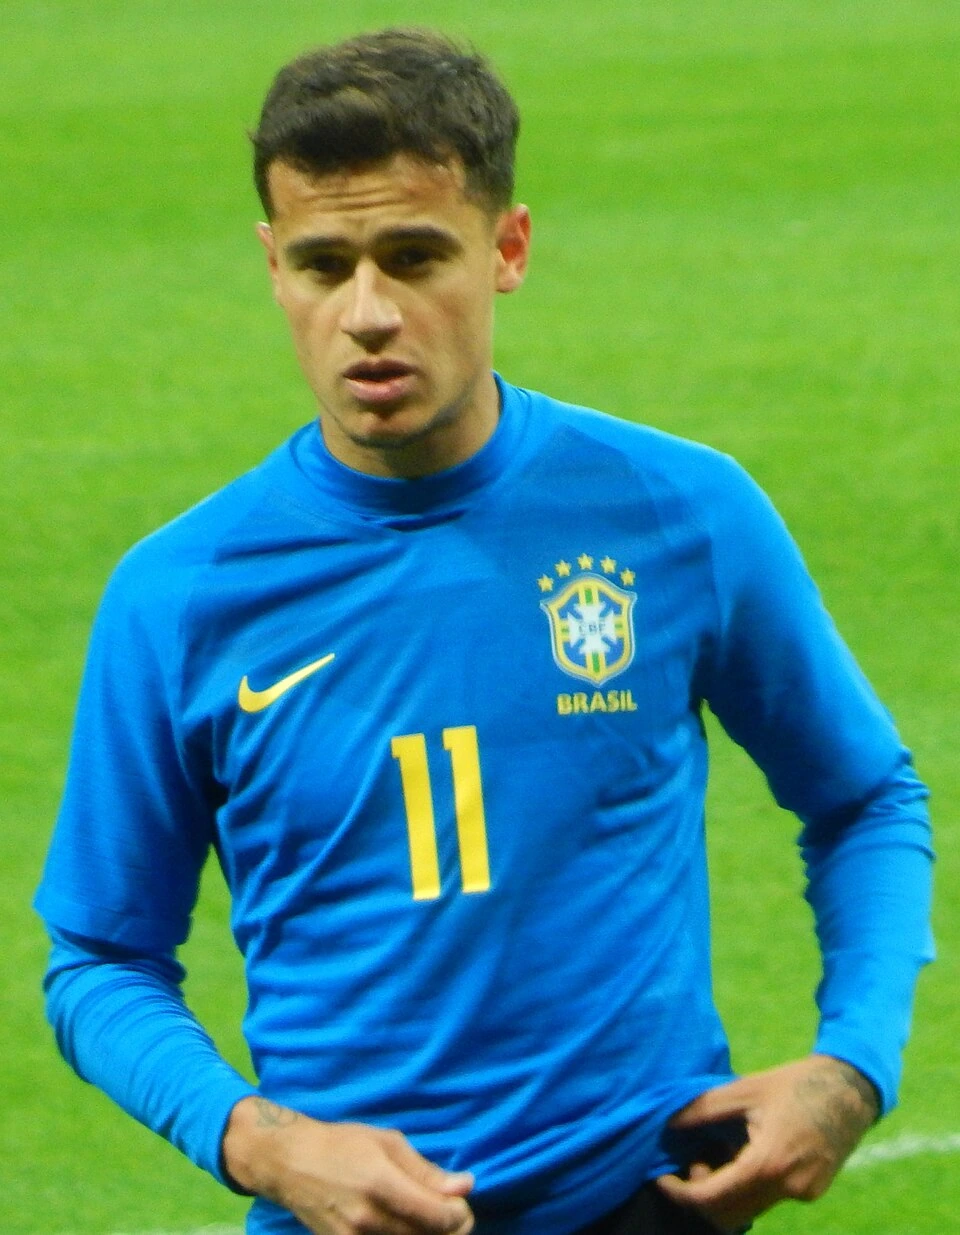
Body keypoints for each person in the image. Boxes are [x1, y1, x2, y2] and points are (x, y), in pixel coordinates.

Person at [35, 27, 934, 1235]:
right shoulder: (183, 595)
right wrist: (261, 1140)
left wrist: (852, 1062)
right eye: (322, 264)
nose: (366, 315)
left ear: (506, 248)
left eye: (414, 257)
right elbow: (97, 957)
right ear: (272, 265)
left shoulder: (679, 514)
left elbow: (865, 793)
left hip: (640, 1203)